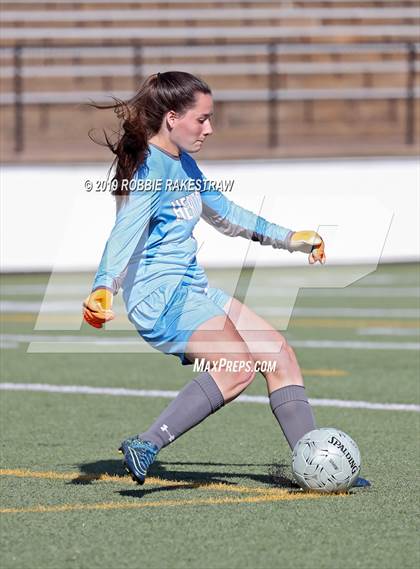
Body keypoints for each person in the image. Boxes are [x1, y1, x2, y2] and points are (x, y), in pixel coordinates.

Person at [83, 71, 368, 488]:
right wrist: (103, 287)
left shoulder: (184, 164)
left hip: (191, 289)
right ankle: (147, 442)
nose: (209, 128)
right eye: (202, 119)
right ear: (172, 117)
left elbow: (229, 215)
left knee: (278, 353)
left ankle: (317, 464)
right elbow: (122, 233)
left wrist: (291, 239)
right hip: (158, 298)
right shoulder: (149, 169)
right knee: (237, 369)